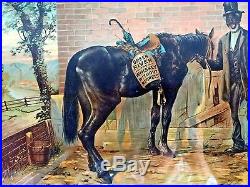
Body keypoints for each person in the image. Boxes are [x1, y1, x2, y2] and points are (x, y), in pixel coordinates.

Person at [208, 2, 248, 154]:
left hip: (247, 82)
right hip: (232, 83)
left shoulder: (248, 36)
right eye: (229, 20)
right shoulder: (223, 40)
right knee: (235, 115)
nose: (232, 23)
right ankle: (238, 144)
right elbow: (219, 63)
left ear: (238, 18)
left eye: (234, 19)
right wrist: (207, 62)